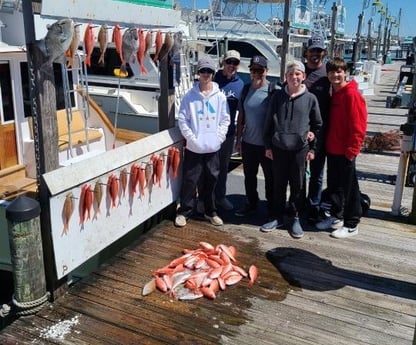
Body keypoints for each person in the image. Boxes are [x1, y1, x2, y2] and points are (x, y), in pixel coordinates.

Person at [261, 60, 322, 238]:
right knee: (278, 183)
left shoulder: (311, 99)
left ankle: (295, 217)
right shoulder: (277, 97)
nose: (294, 77)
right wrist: (267, 145)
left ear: (303, 76)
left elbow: (318, 125)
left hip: (300, 150)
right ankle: (276, 216)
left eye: (297, 74)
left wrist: (313, 148)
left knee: (298, 184)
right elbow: (268, 123)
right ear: (285, 77)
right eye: (290, 74)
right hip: (278, 147)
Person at [174, 56, 230, 227]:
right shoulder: (189, 97)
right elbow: (183, 120)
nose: (206, 74)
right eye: (203, 71)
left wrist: (218, 138)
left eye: (209, 71)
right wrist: (191, 139)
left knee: (212, 180)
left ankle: (210, 210)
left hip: (213, 148)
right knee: (190, 180)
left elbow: (225, 120)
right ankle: (184, 211)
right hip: (194, 148)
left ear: (213, 74)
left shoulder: (220, 96)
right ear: (198, 73)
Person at [315, 57, 367, 239]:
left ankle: (352, 224)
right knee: (335, 187)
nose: (335, 75)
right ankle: (336, 217)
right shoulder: (335, 94)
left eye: (339, 71)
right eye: (331, 72)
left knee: (350, 189)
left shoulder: (352, 95)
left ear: (345, 73)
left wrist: (352, 151)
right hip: (332, 149)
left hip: (346, 152)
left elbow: (359, 127)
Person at [234, 55, 274, 219]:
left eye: (260, 70)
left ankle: (272, 206)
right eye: (253, 70)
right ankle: (251, 203)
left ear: (266, 71)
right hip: (248, 143)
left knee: (270, 178)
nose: (256, 73)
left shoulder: (273, 90)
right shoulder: (245, 89)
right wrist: (238, 140)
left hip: (266, 145)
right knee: (249, 177)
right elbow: (241, 117)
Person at [303, 34, 331, 224]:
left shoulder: (328, 72)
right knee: (298, 171)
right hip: (299, 131)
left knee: (317, 172)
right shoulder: (299, 71)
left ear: (323, 53)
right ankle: (297, 202)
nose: (315, 54)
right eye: (313, 50)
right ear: (307, 52)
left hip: (321, 131)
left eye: (319, 51)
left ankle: (314, 204)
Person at [212, 50, 244, 210]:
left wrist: (239, 138)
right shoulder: (213, 78)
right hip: (209, 132)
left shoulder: (240, 84)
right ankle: (206, 198)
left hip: (228, 133)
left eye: (235, 63)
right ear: (223, 62)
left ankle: (220, 197)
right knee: (209, 167)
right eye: (228, 62)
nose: (231, 65)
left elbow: (241, 115)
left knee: (223, 167)